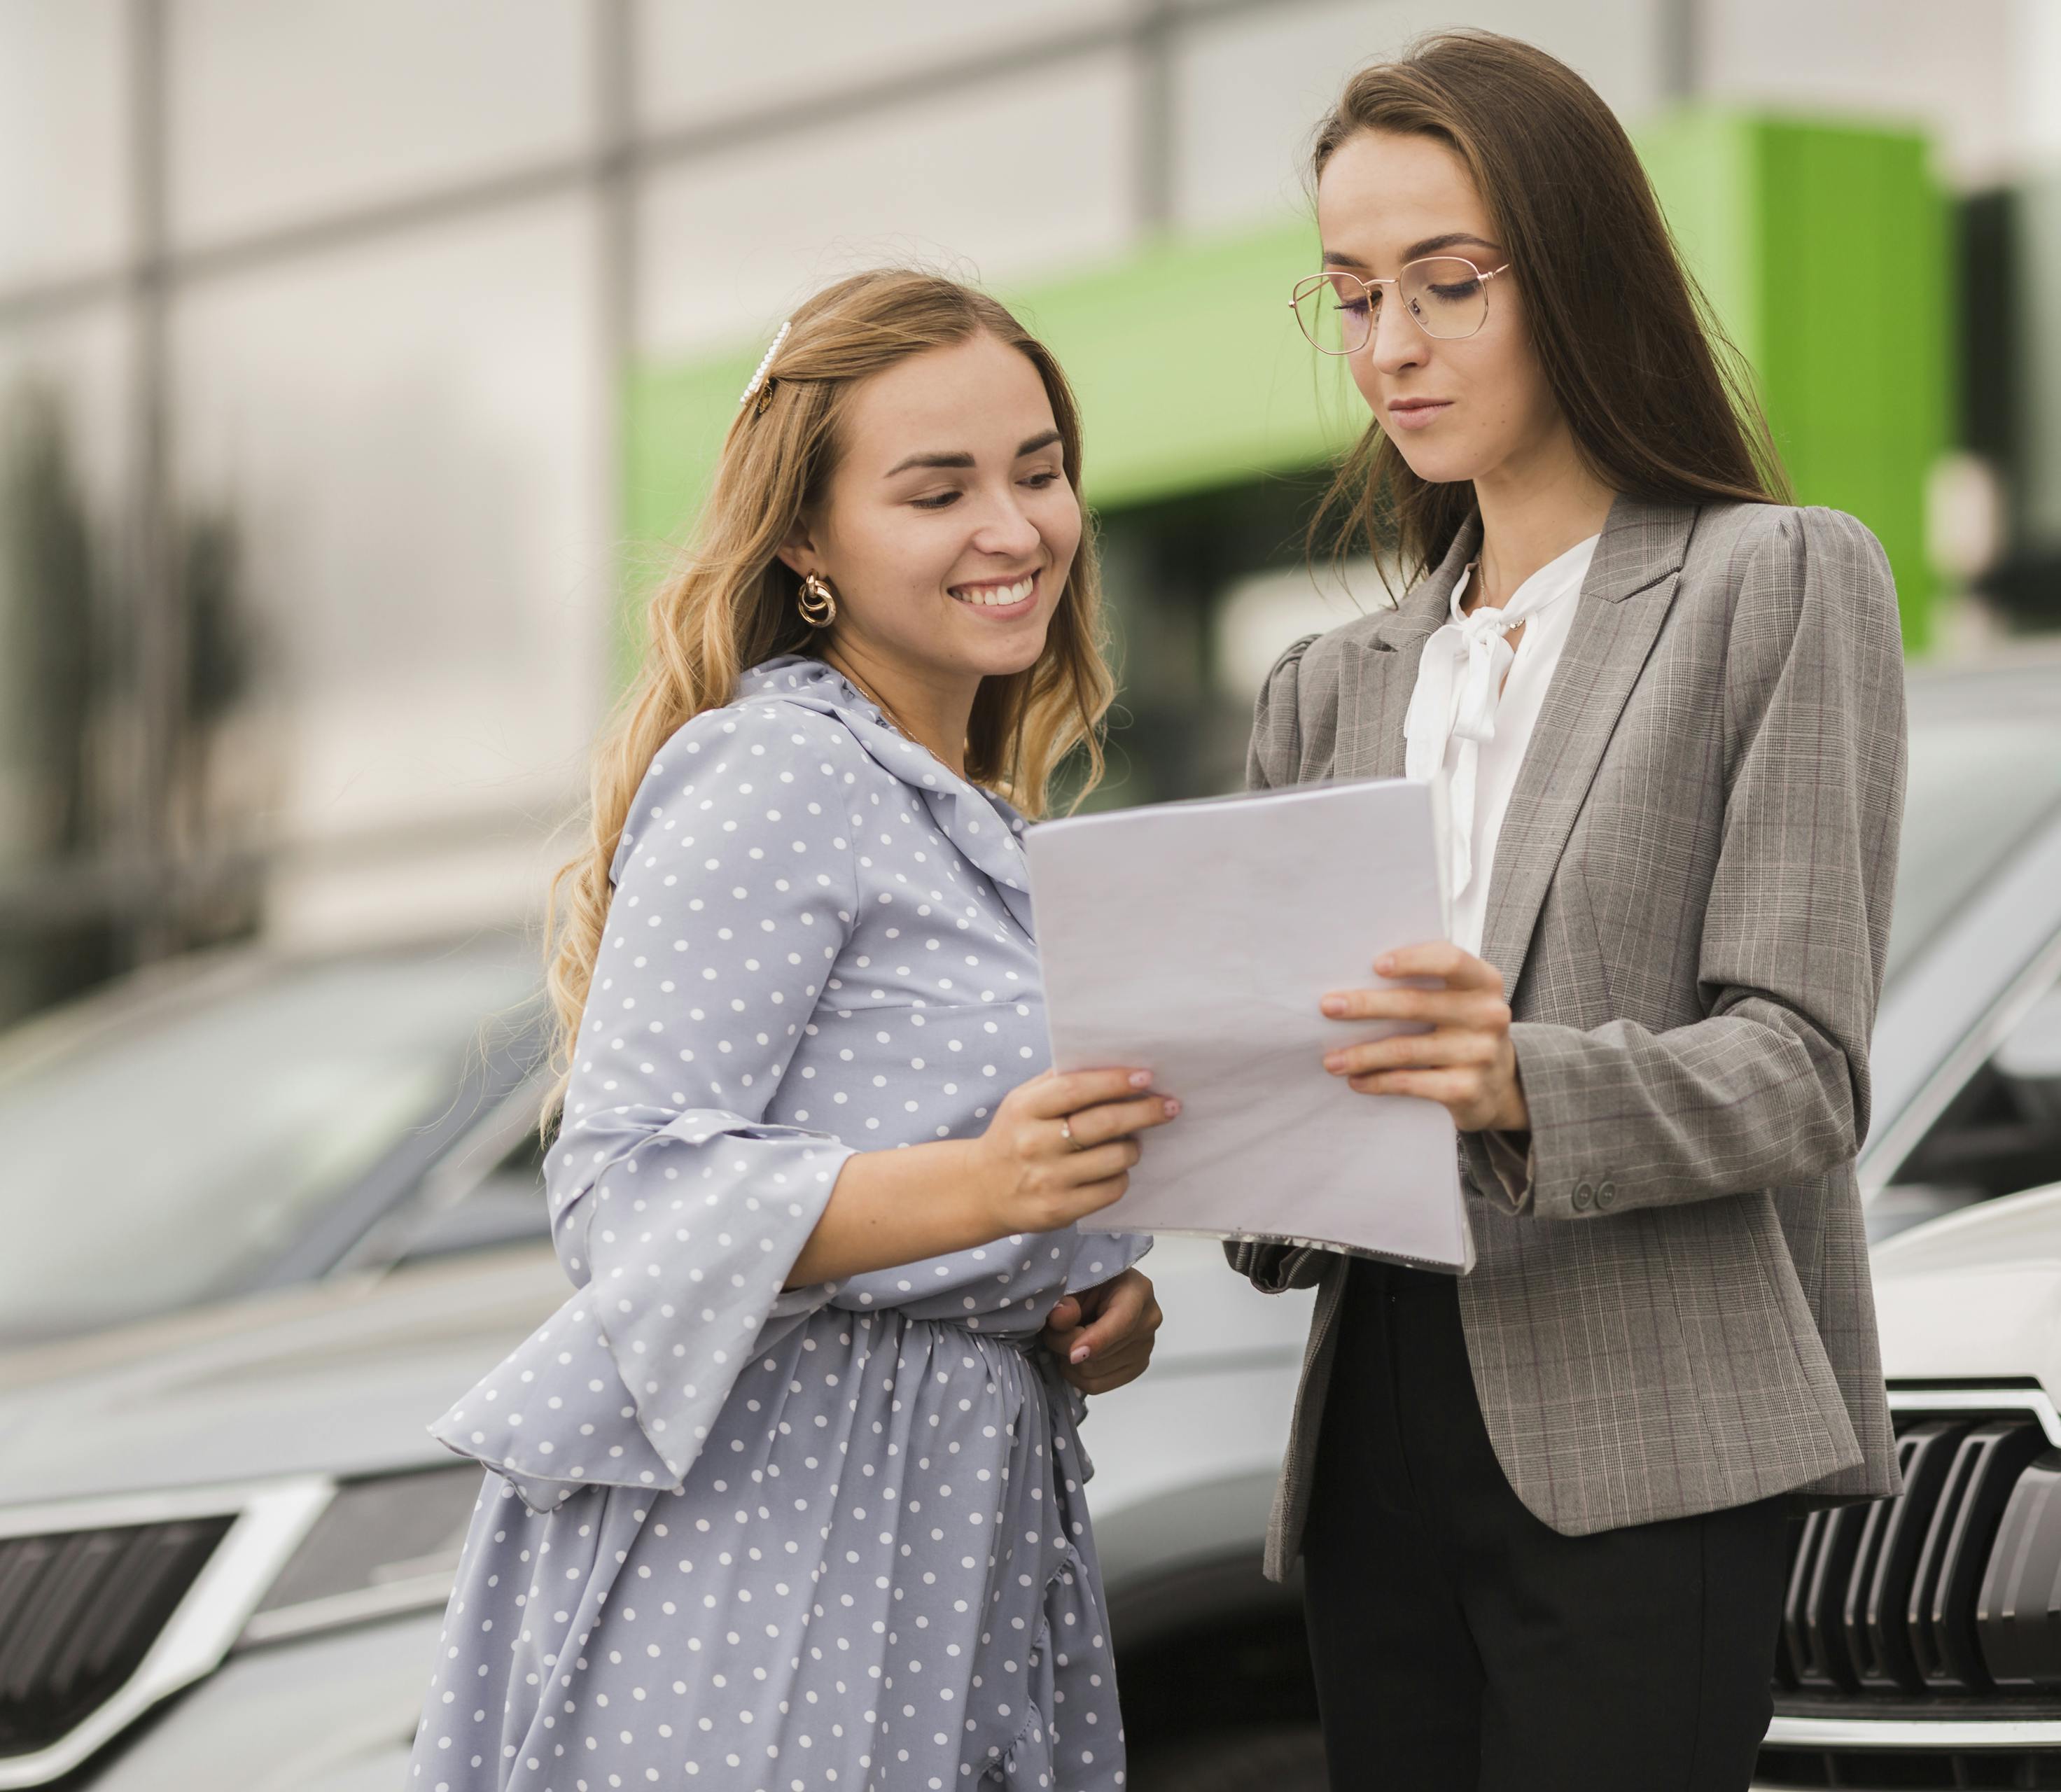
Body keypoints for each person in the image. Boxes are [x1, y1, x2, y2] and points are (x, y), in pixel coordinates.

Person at [1232, 31, 1908, 1791]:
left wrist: (1513, 1073)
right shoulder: (1324, 684)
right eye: (1355, 295)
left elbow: (1802, 1070)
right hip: (1375, 1414)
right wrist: (1196, 1118)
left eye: (1448, 285)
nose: (1393, 347)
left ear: (1577, 268)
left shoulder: (1776, 581)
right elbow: (1277, 1122)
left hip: (1647, 1428)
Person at [412, 269, 1168, 1791]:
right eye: (936, 489)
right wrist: (989, 1189)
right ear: (809, 540)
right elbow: (621, 1191)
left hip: (959, 1514)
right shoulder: (777, 768)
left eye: (1038, 470)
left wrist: (1085, 1290)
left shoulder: (980, 821)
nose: (1014, 527)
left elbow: (946, 1161)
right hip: (782, 1536)